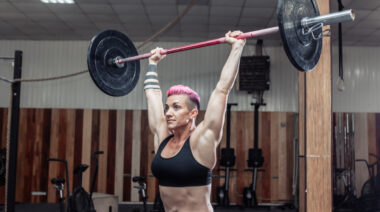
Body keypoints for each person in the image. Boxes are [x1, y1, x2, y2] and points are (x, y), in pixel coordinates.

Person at [144, 31, 246, 212]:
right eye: (167, 108)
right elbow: (152, 95)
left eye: (176, 107)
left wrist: (237, 48)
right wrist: (153, 64)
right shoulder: (163, 138)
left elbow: (222, 89)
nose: (168, 113)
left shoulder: (202, 139)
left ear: (193, 113)